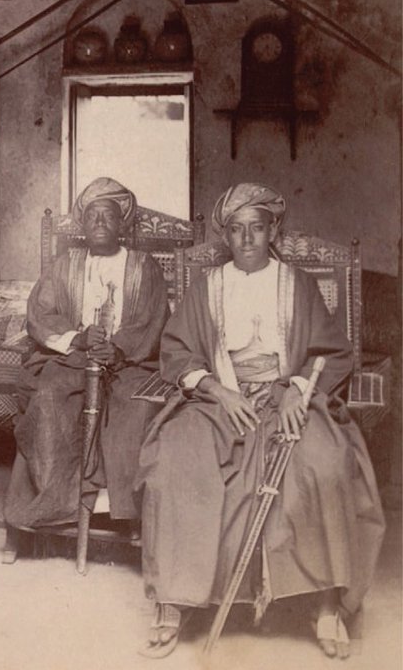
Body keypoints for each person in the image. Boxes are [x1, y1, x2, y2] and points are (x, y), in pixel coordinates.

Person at [137, 184, 384, 659]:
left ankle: (327, 602)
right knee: (173, 463)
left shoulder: (299, 283)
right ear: (225, 236)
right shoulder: (207, 286)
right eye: (236, 229)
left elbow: (331, 352)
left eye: (258, 227)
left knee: (327, 463)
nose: (247, 237)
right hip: (220, 396)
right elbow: (176, 352)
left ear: (273, 230)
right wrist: (217, 390)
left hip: (288, 394)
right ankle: (174, 598)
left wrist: (295, 389)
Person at [1, 177, 169, 560]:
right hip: (73, 357)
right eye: (91, 216)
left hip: (128, 362)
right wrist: (77, 338)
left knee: (135, 408)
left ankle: (123, 514)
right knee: (49, 397)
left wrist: (119, 348)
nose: (98, 222)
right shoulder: (66, 265)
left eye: (107, 215)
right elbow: (40, 313)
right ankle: (48, 509)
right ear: (82, 225)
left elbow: (153, 319)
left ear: (122, 223)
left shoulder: (144, 267)